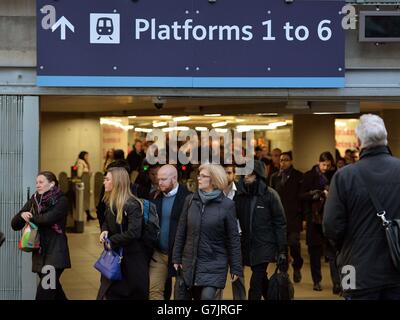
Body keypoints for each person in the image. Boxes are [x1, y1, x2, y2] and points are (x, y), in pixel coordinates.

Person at [324, 114, 400, 300]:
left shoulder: (344, 177)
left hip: (357, 271)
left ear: (358, 141)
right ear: (385, 138)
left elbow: (331, 226)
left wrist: (347, 247)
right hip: (397, 267)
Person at [172, 164, 243, 300]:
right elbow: (181, 230)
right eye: (199, 175)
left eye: (203, 176)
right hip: (190, 262)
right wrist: (176, 257)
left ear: (214, 180)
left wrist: (235, 267)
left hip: (214, 264)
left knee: (207, 298)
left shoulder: (227, 205)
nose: (198, 178)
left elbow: (233, 239)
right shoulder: (190, 201)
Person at [11, 171, 71, 300]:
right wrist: (22, 216)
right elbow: (14, 225)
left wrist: (30, 218)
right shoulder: (34, 200)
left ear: (52, 184)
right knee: (55, 292)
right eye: (36, 182)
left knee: (44, 294)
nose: (37, 185)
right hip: (40, 254)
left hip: (55, 253)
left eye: (41, 182)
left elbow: (48, 219)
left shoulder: (62, 200)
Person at [235, 160, 288, 300]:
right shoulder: (239, 196)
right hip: (247, 246)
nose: (246, 176)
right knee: (261, 278)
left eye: (250, 174)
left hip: (265, 245)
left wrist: (282, 250)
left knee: (255, 282)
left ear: (258, 175)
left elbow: (280, 223)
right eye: (244, 174)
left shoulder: (270, 195)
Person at [97, 167, 149, 300]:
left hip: (132, 263)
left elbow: (134, 232)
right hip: (116, 259)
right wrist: (104, 230)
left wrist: (112, 240)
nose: (104, 182)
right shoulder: (110, 203)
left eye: (107, 179)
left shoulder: (132, 204)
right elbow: (107, 222)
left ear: (117, 182)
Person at [149, 165, 191, 300]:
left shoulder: (188, 198)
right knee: (154, 290)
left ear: (174, 178)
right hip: (159, 254)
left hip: (180, 255)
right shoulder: (155, 196)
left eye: (163, 179)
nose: (159, 182)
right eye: (158, 179)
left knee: (181, 294)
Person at [301, 151, 339, 292]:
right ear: (319, 162)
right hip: (314, 219)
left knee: (333, 253)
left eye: (328, 165)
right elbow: (302, 196)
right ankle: (317, 281)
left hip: (330, 219)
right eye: (323, 164)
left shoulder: (335, 176)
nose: (326, 167)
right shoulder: (310, 176)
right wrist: (315, 194)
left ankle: (336, 282)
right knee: (315, 254)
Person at [270, 151, 304, 283]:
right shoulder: (274, 177)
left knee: (294, 244)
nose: (283, 162)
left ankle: (297, 266)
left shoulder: (298, 176)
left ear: (291, 161)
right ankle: (284, 272)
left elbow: (301, 198)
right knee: (282, 247)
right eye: (281, 160)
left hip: (294, 216)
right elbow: (271, 197)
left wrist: (302, 217)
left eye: (286, 160)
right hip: (279, 218)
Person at [223, 164, 246, 300]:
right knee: (216, 278)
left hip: (237, 238)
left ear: (234, 175)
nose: (226, 175)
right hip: (218, 239)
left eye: (229, 172)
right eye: (224, 172)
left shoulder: (241, 192)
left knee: (238, 276)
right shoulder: (214, 191)